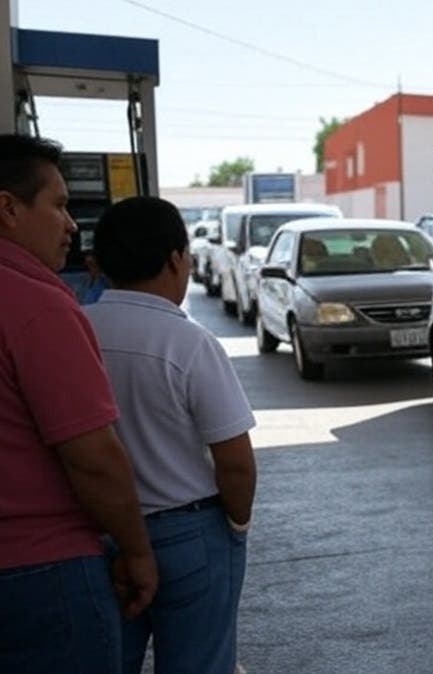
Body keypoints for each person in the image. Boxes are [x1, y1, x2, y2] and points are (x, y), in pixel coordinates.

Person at [0, 134, 157, 673]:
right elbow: (92, 454)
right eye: (60, 205)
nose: (71, 225)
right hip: (42, 575)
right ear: (8, 208)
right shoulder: (37, 305)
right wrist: (137, 551)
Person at [85, 196, 258, 674]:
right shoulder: (188, 342)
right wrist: (236, 526)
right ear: (177, 259)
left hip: (95, 532)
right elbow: (236, 461)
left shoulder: (74, 332)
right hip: (190, 533)